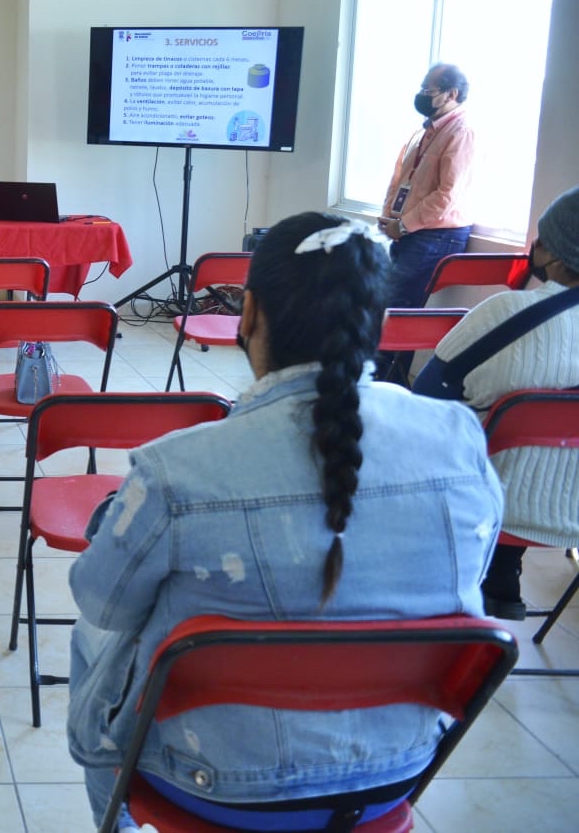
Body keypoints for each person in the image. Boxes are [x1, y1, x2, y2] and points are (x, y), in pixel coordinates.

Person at [67, 212, 502, 832]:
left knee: (94, 636)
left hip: (213, 783)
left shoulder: (177, 470)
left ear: (247, 315)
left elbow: (101, 599)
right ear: (377, 324)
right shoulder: (459, 438)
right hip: (393, 775)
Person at [413, 186, 579, 620]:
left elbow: (424, 403)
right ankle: (504, 572)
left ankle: (477, 575)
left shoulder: (504, 312)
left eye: (543, 239)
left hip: (484, 508)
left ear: (560, 258)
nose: (534, 246)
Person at [377, 63, 476, 309]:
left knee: (393, 309)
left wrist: (402, 225)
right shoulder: (423, 132)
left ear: (451, 94)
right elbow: (399, 178)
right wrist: (390, 216)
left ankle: (387, 350)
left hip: (435, 234)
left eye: (428, 91)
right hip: (408, 232)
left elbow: (447, 194)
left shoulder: (461, 132)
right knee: (386, 305)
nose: (421, 96)